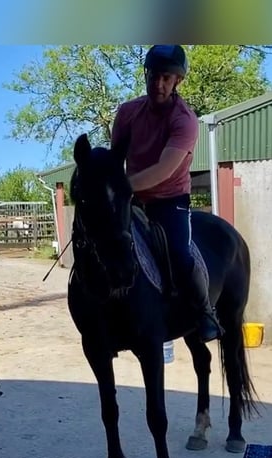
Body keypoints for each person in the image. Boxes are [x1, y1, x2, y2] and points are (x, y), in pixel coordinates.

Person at [110, 44, 224, 342]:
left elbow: (164, 169)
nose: (158, 84)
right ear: (146, 75)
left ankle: (204, 312)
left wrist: (122, 186)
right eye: (153, 76)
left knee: (180, 253)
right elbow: (115, 157)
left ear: (177, 82)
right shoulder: (127, 113)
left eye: (166, 78)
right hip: (133, 198)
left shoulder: (184, 120)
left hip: (170, 200)